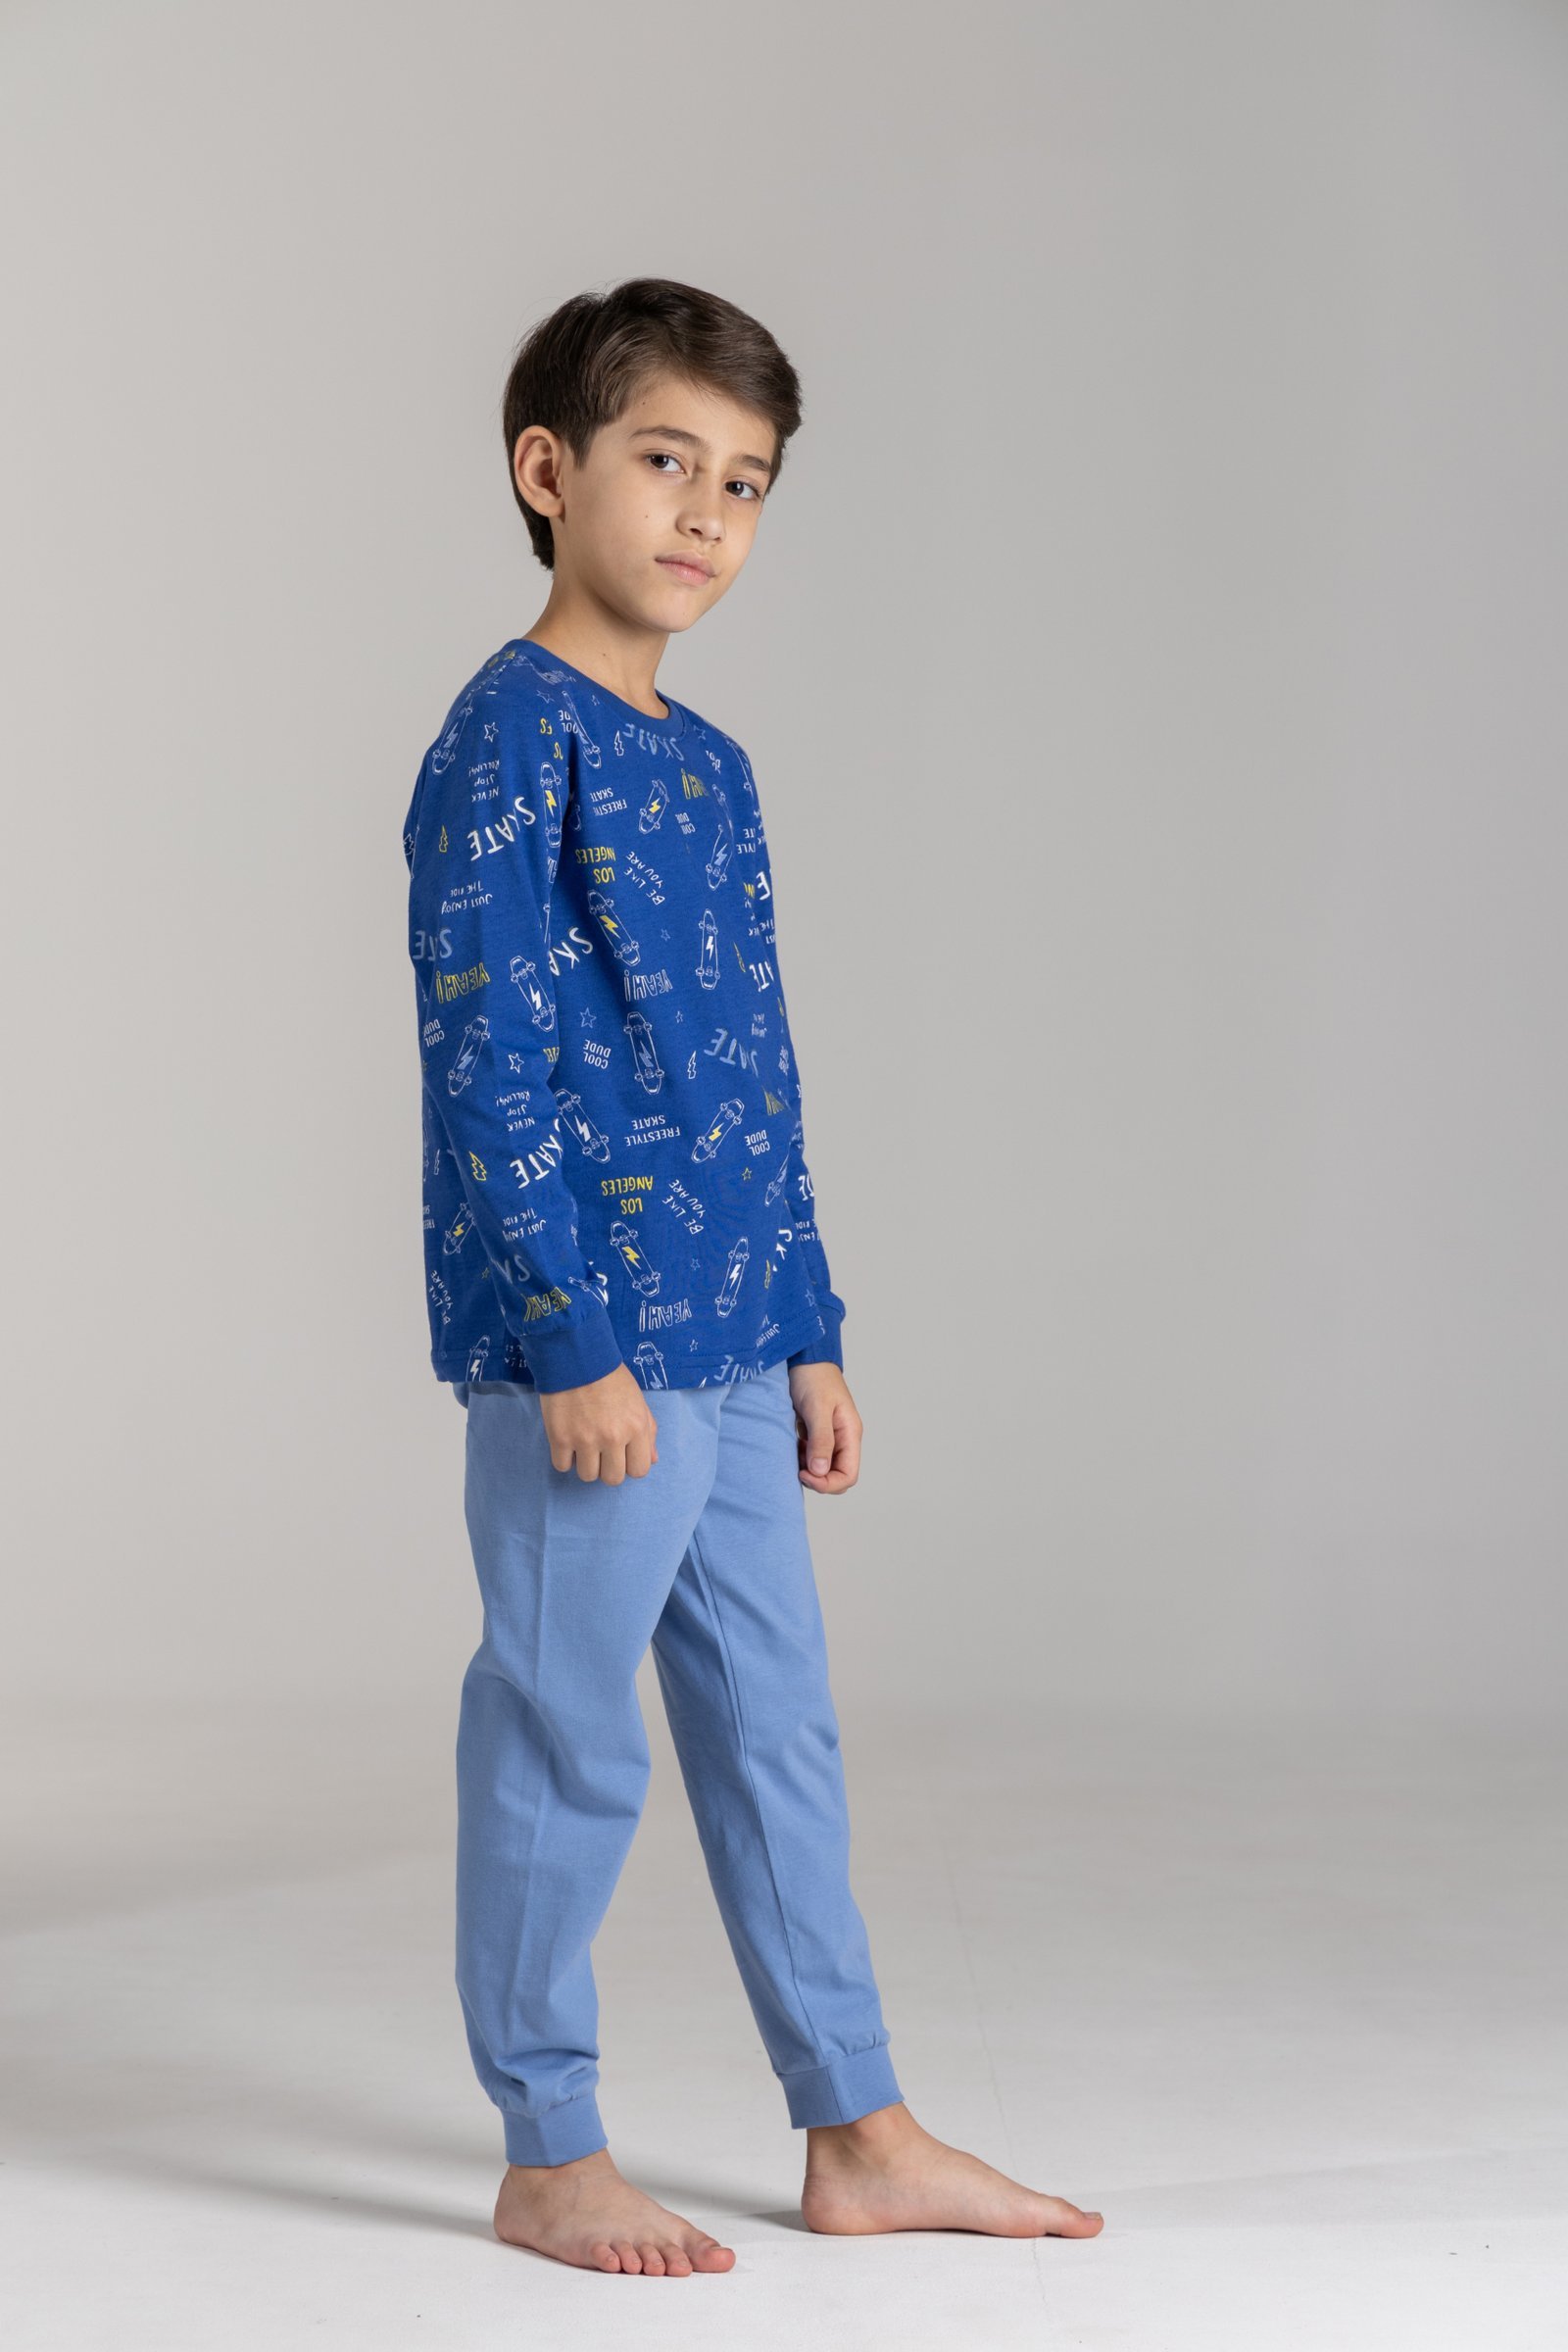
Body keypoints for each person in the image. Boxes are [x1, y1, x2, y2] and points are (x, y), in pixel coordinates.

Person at [402, 276, 1104, 2277]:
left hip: (727, 1338)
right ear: (549, 473)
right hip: (596, 1361)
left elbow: (752, 1072)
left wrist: (807, 1325)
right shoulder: (504, 740)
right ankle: (548, 2147)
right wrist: (569, 1340)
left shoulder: (710, 769)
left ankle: (855, 2125)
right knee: (566, 1735)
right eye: (665, 461)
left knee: (776, 1732)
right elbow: (487, 1062)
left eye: (747, 481)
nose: (707, 512)